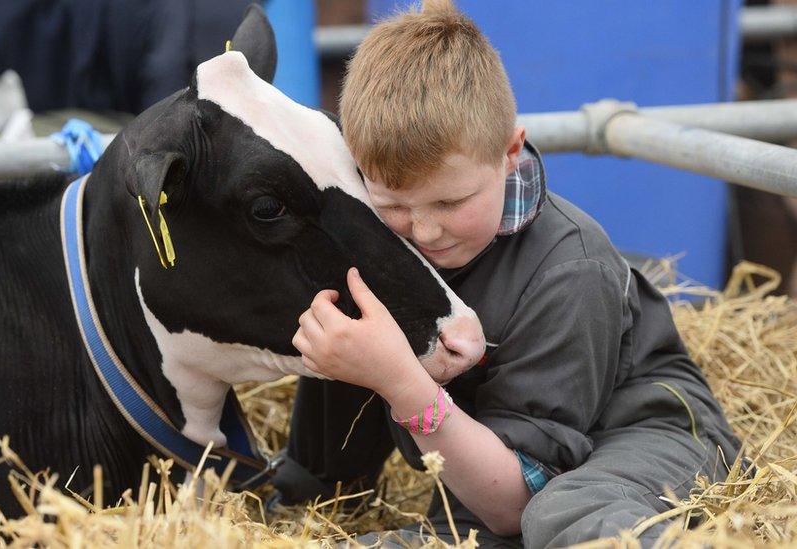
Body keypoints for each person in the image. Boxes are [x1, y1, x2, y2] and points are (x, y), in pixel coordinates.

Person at [272, 1, 742, 547]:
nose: (424, 231)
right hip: (493, 461)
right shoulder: (382, 241)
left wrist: (399, 381)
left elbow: (511, 507)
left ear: (509, 153)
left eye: (452, 201)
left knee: (558, 517)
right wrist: (305, 497)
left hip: (643, 439)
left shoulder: (570, 270)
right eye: (394, 203)